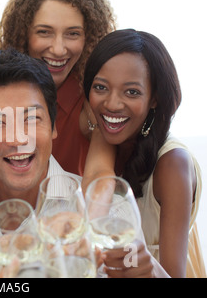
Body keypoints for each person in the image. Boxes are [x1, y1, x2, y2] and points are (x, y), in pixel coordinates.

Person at [0, 49, 165, 278]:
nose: (18, 139)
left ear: (53, 126)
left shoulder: (111, 213)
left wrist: (151, 273)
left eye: (31, 119)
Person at [83, 29, 205, 278]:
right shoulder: (99, 129)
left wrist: (148, 266)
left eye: (132, 92)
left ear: (154, 99)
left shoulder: (173, 165)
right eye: (101, 87)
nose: (112, 104)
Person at [0, 0, 116, 176]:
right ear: (23, 34)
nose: (59, 49)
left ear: (88, 37)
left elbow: (100, 174)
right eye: (44, 32)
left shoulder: (91, 96)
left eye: (73, 34)